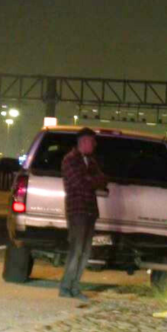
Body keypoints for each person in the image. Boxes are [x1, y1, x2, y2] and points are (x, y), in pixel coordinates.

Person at [59, 128, 108, 301]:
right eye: (92, 141)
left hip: (90, 211)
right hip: (77, 210)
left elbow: (102, 179)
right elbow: (80, 183)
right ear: (83, 141)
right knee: (77, 249)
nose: (94, 145)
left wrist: (91, 180)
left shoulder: (90, 161)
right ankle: (66, 286)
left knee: (85, 251)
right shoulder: (70, 160)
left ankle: (74, 287)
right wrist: (93, 180)